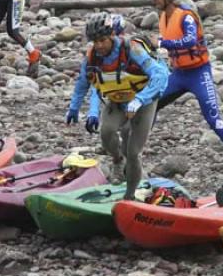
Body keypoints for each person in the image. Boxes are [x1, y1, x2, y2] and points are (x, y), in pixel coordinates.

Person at [66, 14, 169, 200]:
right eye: (94, 41)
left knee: (134, 152)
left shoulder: (133, 49)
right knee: (106, 133)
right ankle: (116, 160)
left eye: (102, 40)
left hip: (142, 101)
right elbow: (83, 83)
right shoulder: (93, 57)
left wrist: (140, 99)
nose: (98, 46)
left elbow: (160, 74)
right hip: (117, 99)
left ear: (112, 35)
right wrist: (74, 108)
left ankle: (129, 196)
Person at [148, 0, 223, 166]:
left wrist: (161, 43)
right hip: (178, 74)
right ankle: (135, 150)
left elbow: (190, 41)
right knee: (151, 104)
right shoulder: (163, 17)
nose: (154, 0)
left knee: (213, 118)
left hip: (199, 73)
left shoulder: (186, 16)